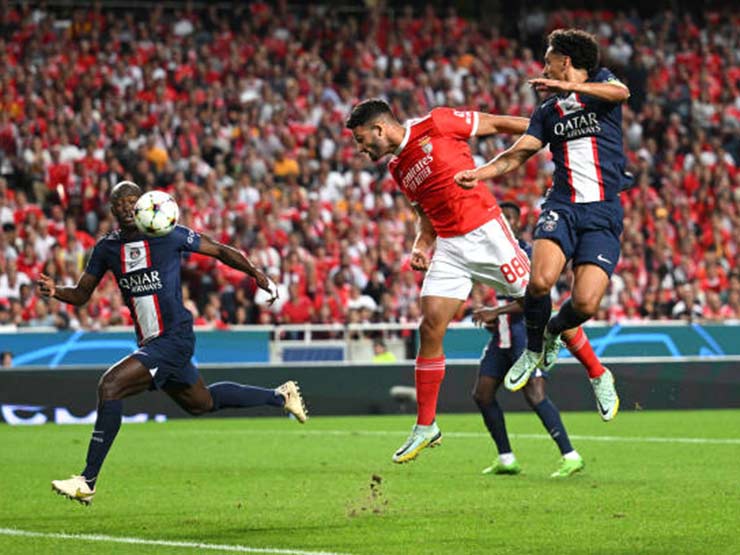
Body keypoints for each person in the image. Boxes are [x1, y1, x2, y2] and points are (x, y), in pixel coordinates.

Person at [38, 181, 308, 505]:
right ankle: (280, 397)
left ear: (144, 204)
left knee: (110, 386)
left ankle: (87, 480)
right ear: (112, 211)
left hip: (174, 337)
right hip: (151, 341)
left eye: (131, 201)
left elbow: (220, 250)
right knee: (201, 403)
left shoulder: (168, 234)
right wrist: (56, 292)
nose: (125, 207)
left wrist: (257, 274)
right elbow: (82, 295)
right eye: (119, 203)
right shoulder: (107, 249)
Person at [347, 99, 531, 463]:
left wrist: (544, 130)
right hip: (449, 246)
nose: (361, 148)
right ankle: (426, 425)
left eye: (362, 139)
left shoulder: (439, 123)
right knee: (429, 326)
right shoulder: (398, 168)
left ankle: (594, 370)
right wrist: (421, 244)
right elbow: (424, 215)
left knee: (539, 297)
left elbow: (495, 124)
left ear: (380, 128)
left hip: (486, 233)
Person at [455, 29, 624, 419]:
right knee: (539, 281)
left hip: (603, 212)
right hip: (562, 206)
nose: (543, 68)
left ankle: (553, 334)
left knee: (584, 303)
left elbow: (622, 95)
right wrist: (479, 174)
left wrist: (565, 85)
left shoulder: (603, 85)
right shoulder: (548, 111)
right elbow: (518, 155)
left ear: (565, 61)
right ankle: (533, 350)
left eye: (548, 60)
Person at [472, 202, 614, 478]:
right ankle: (506, 458)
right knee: (482, 393)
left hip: (526, 332)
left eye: (512, 217)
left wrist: (496, 311)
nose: (507, 221)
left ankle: (570, 455)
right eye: (504, 217)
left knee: (535, 394)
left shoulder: (527, 252)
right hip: (501, 336)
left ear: (517, 222)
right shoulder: (492, 254)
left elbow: (535, 300)